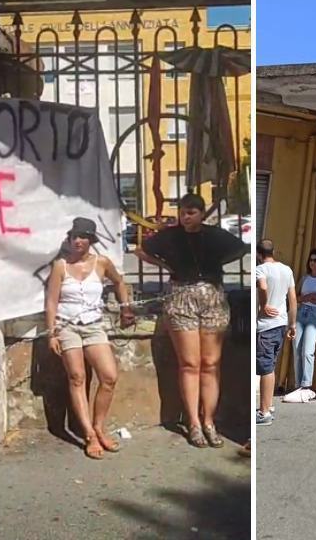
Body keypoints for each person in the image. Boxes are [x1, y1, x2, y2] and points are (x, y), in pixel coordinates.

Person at [135, 193, 248, 448]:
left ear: (201, 213)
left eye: (191, 212)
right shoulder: (170, 236)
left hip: (212, 296)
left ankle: (209, 420)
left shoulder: (214, 235)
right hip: (181, 296)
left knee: (211, 363)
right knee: (189, 363)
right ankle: (193, 422)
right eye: (183, 212)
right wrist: (165, 265)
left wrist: (218, 261)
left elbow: (240, 249)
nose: (186, 217)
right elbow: (141, 250)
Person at [45, 217, 135, 459]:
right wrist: (52, 332)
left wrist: (126, 307)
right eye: (74, 237)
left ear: (91, 240)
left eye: (83, 237)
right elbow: (52, 301)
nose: (78, 241)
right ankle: (89, 435)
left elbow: (119, 282)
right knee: (77, 377)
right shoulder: (60, 266)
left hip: (94, 325)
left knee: (109, 376)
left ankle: (99, 425)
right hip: (67, 326)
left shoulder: (102, 263)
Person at [255, 239, 295, 426]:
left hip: (266, 324)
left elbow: (262, 287)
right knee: (270, 364)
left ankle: (264, 413)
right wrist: (292, 324)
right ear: (273, 251)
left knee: (265, 368)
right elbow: (293, 300)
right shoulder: (287, 270)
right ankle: (268, 404)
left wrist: (264, 305)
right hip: (281, 323)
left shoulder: (260, 270)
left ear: (258, 254)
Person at [292, 249, 316, 397]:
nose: (312, 263)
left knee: (308, 350)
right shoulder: (304, 278)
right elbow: (295, 297)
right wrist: (306, 297)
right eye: (311, 260)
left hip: (315, 314)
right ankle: (297, 384)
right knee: (297, 348)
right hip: (302, 312)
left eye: (315, 260)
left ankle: (306, 384)